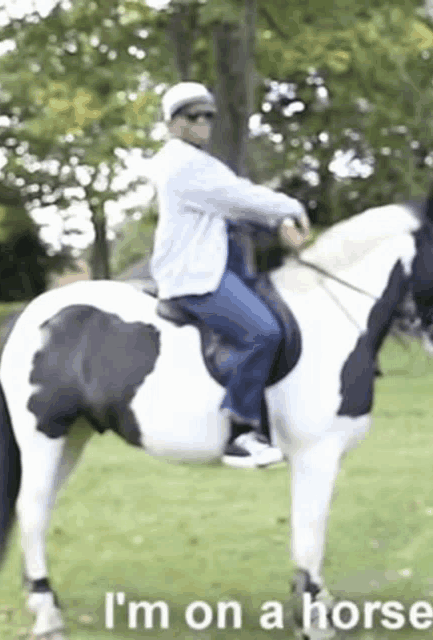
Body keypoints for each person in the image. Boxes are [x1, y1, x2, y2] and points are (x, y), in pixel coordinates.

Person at [147, 81, 311, 468]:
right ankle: (240, 433)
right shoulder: (181, 163)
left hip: (219, 269)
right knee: (262, 331)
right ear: (172, 124)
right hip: (194, 278)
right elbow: (240, 196)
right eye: (193, 115)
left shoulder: (199, 163)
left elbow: (232, 211)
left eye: (209, 115)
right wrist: (291, 207)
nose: (203, 122)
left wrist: (275, 226)